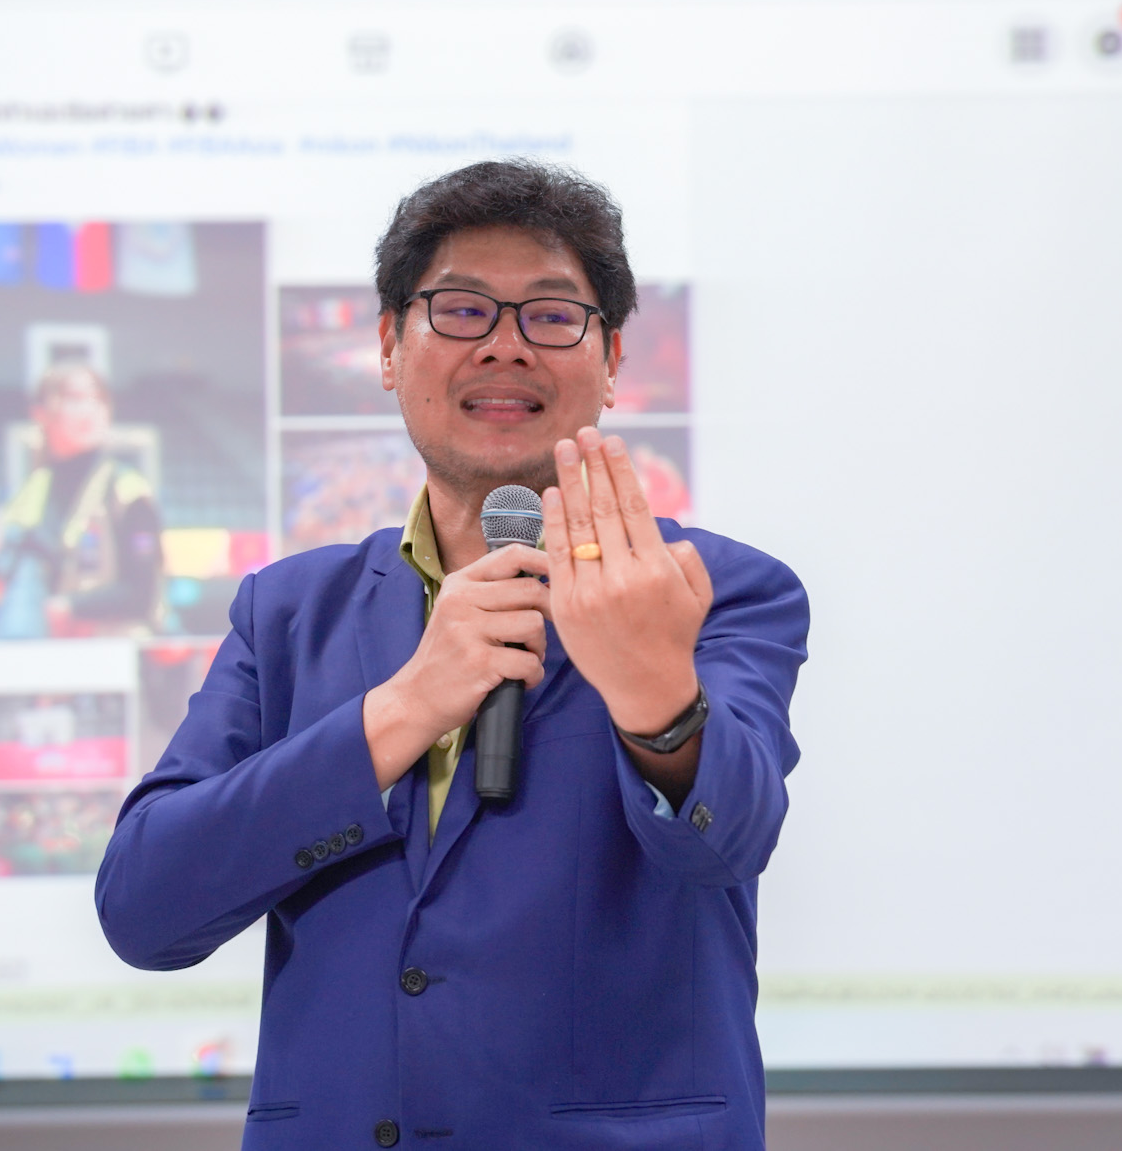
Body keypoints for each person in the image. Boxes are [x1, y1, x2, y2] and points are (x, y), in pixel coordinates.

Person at [96, 160, 808, 1150]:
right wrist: (401, 710)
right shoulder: (287, 612)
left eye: (551, 316)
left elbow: (727, 844)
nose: (505, 346)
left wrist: (654, 693)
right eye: (463, 310)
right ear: (390, 346)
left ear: (610, 359)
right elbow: (144, 910)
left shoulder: (714, 590)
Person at [0, 362, 163, 638]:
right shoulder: (32, 492)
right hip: (50, 652)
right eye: (75, 399)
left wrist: (72, 607)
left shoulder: (127, 491)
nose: (90, 409)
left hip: (117, 651)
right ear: (40, 413)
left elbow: (143, 594)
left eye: (99, 399)